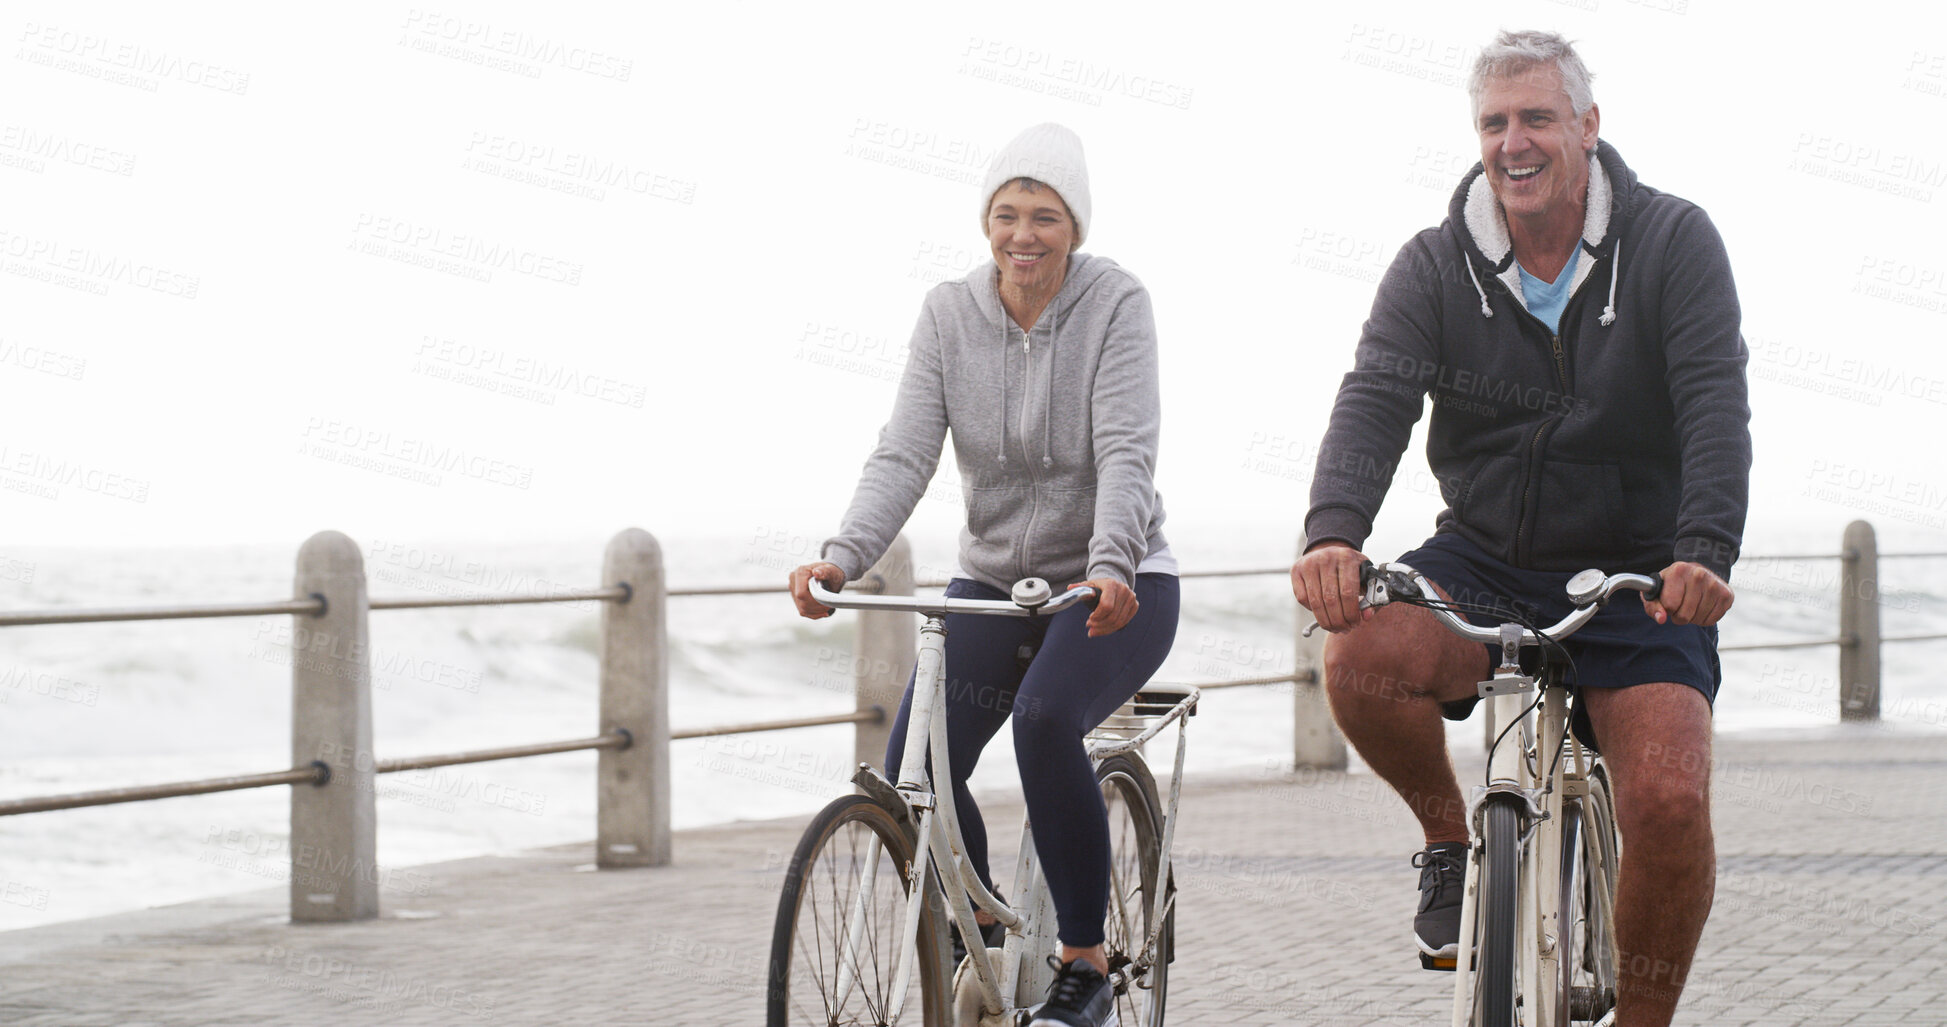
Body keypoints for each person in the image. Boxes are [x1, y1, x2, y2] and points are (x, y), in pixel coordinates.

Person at [1289, 31, 1748, 1027]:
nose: (1513, 141)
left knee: (1670, 798)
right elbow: (1375, 399)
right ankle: (1450, 840)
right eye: (1494, 123)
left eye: (1537, 117)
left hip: (1636, 573)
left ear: (1587, 126)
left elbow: (1713, 402)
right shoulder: (1435, 262)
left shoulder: (1673, 243)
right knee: (1356, 655)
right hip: (1487, 555)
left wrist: (1704, 550)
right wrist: (1333, 532)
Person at [788, 122, 1177, 1027]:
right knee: (911, 766)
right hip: (996, 583)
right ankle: (986, 943)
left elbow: (1126, 450)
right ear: (985, 222)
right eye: (1005, 214)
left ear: (1074, 227)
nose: (1022, 234)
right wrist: (842, 552)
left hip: (1116, 583)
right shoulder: (948, 313)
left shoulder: (1117, 304)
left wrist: (1111, 562)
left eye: (1044, 215)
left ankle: (1083, 961)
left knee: (1046, 721)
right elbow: (905, 452)